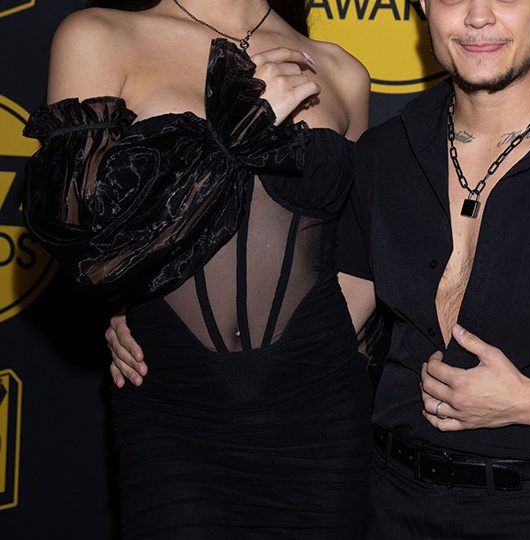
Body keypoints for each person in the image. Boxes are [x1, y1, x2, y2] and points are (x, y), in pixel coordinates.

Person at [107, 0, 530, 538]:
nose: (478, 16)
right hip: (383, 503)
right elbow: (331, 311)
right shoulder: (386, 152)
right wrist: (154, 316)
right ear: (424, 7)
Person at [23, 0, 377, 538]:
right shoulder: (99, 36)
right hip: (174, 409)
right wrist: (233, 132)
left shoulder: (341, 70)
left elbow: (359, 250)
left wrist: (313, 353)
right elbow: (78, 233)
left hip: (321, 415)